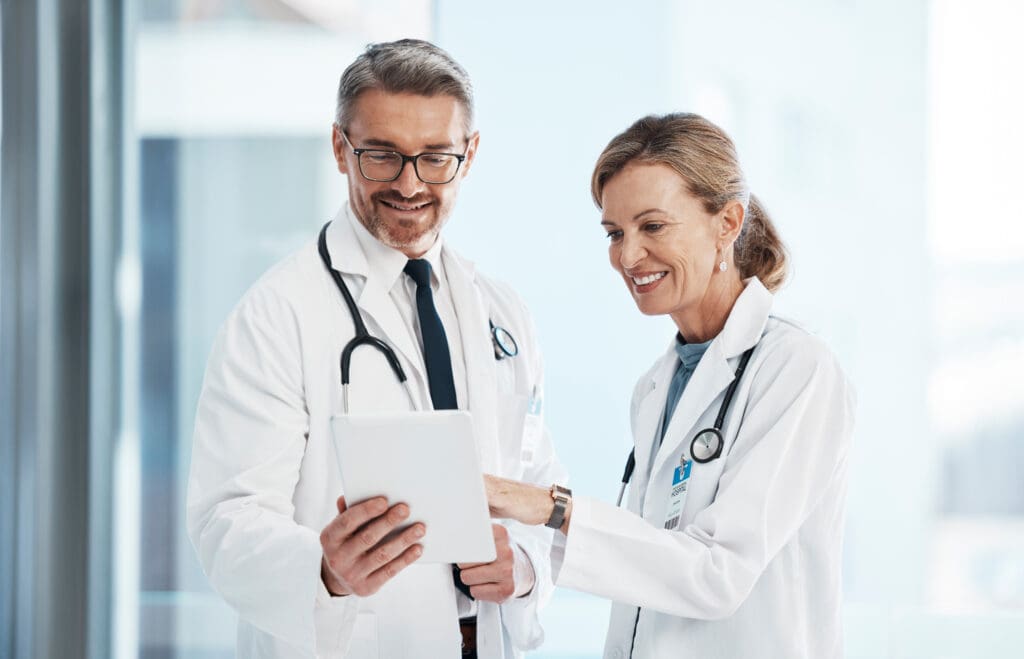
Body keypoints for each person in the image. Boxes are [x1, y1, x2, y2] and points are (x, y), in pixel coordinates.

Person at [186, 39, 565, 659]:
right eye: (382, 156)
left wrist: (523, 567)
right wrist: (325, 571)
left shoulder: (501, 310)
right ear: (340, 148)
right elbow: (225, 522)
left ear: (468, 155)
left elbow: (536, 482)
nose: (410, 184)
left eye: (435, 157)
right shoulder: (277, 314)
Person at [484, 113, 856, 658]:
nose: (628, 256)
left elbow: (717, 573)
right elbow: (649, 572)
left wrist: (550, 508)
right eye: (615, 233)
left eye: (652, 226)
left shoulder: (797, 370)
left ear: (727, 223)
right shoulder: (656, 387)